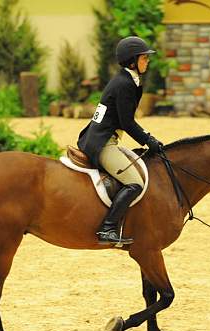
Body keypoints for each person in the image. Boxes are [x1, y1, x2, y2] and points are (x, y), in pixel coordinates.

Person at [77, 36, 163, 245]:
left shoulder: (125, 79)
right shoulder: (124, 84)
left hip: (100, 137)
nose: (147, 62)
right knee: (135, 183)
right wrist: (148, 140)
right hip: (102, 142)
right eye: (144, 58)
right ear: (133, 61)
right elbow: (127, 122)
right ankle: (107, 229)